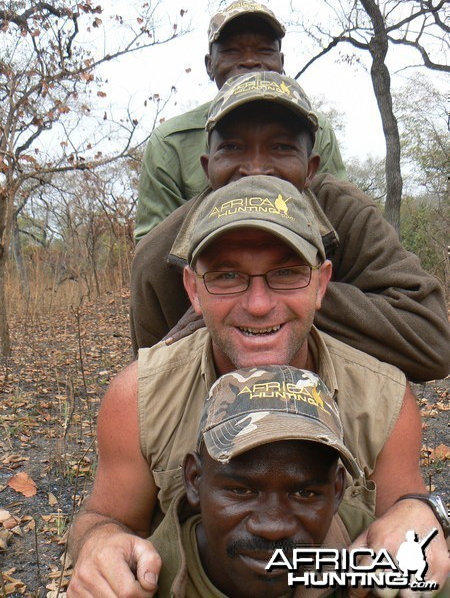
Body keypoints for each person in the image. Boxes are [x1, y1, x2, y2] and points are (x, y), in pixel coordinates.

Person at [67, 176, 449, 596]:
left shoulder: (383, 399)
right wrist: (97, 542)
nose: (259, 304)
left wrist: (419, 509)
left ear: (321, 284)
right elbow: (104, 515)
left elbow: (403, 519)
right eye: (228, 276)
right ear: (193, 290)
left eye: (286, 273)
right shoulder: (140, 396)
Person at [130, 70, 450, 383]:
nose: (256, 169)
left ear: (310, 169)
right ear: (207, 167)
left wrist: (292, 302)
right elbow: (151, 390)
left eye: (281, 147)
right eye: (232, 147)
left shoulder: (345, 214)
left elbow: (433, 345)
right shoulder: (158, 257)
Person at [151, 365, 374, 597]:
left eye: (304, 494)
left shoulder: (369, 547)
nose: (273, 527)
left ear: (337, 491)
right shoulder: (136, 583)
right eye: (241, 490)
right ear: (194, 480)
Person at [135, 0, 347, 240]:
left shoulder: (315, 129)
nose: (249, 61)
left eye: (265, 50)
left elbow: (337, 218)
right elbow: (153, 247)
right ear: (209, 65)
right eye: (231, 51)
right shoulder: (170, 142)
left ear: (281, 62)